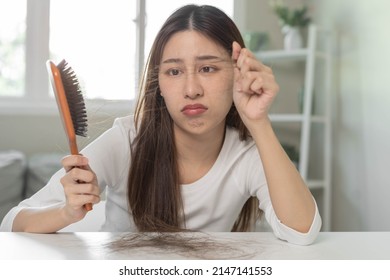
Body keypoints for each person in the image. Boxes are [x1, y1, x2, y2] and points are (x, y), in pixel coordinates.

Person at [0, 4, 321, 245]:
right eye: (174, 71)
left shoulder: (246, 154)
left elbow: (302, 232)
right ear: (159, 83)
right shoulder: (126, 139)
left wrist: (259, 122)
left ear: (239, 72)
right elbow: (12, 223)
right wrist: (65, 213)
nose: (191, 88)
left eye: (208, 68)